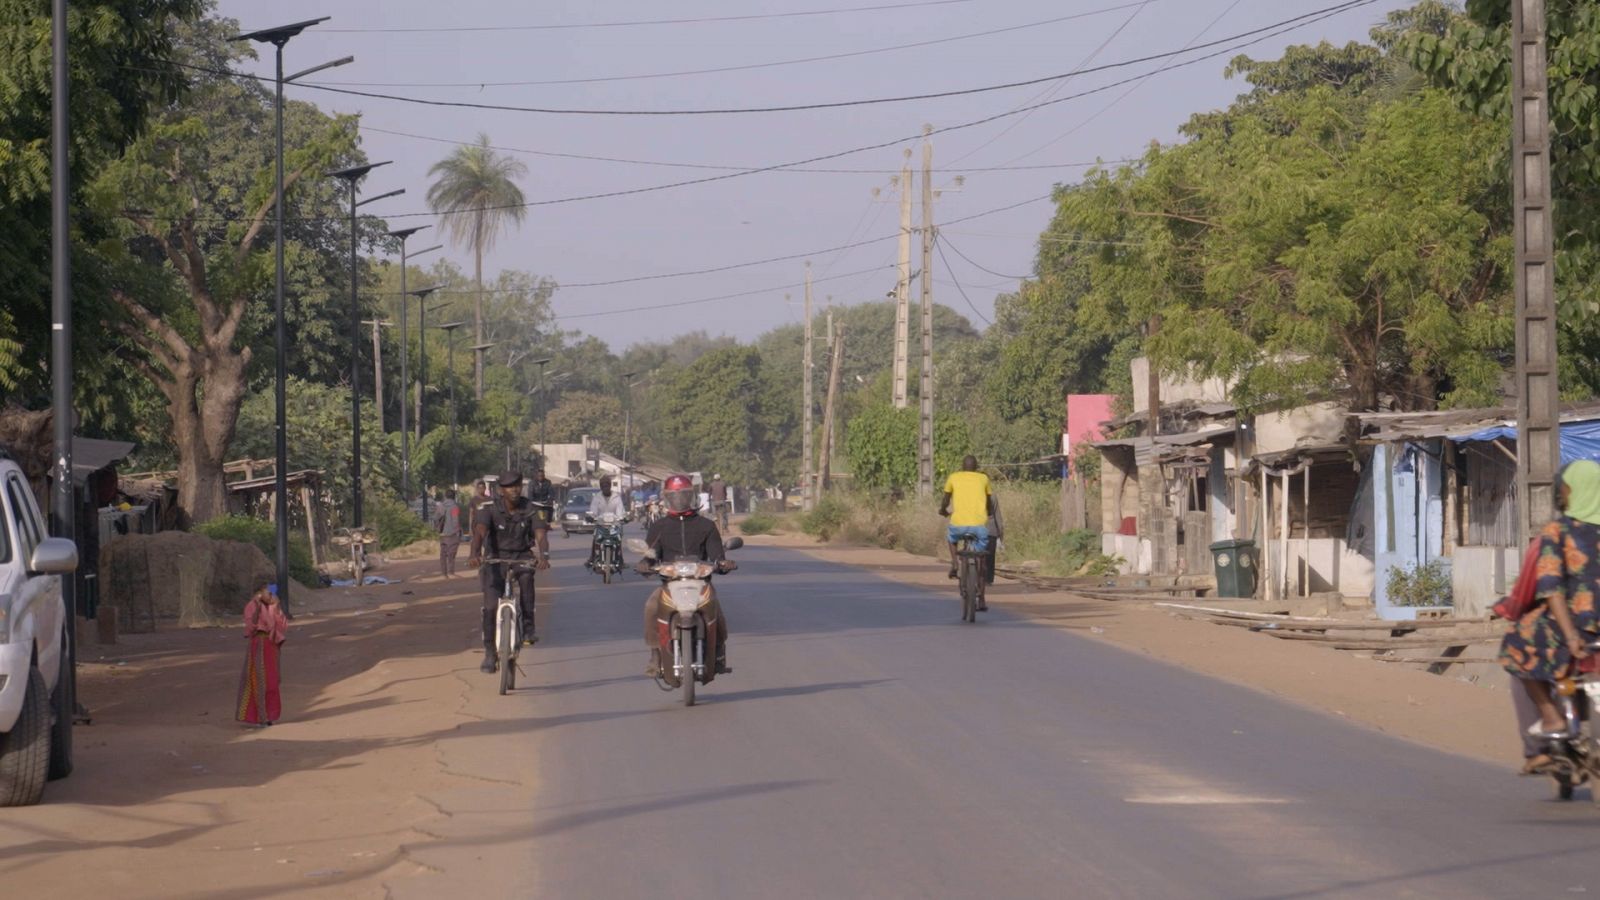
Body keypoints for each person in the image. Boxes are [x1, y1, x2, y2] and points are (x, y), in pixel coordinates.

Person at [1499, 460, 1600, 771]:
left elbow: (1550, 588)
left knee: (1516, 648)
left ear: (1568, 493)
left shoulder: (1556, 533)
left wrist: (1570, 636)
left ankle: (1551, 719)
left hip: (1576, 629)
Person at [635, 473, 735, 677]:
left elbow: (717, 555)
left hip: (701, 584)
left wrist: (723, 563)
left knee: (717, 613)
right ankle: (655, 654)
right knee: (651, 607)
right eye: (674, 496)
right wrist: (645, 564)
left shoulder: (706, 526)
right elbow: (651, 554)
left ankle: (718, 654)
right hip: (669, 585)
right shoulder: (658, 527)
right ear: (666, 498)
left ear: (692, 496)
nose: (679, 500)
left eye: (683, 495)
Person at [469, 471, 549, 673]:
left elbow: (540, 534)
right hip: (495, 559)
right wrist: (475, 554)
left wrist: (544, 555)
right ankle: (489, 653)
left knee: (526, 581)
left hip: (522, 556)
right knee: (489, 607)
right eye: (509, 486)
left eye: (517, 485)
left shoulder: (532, 508)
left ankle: (529, 627)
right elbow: (480, 532)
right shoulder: (488, 508)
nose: (514, 489)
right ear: (500, 490)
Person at [939, 455, 995, 594]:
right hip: (979, 527)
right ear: (976, 468)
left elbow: (945, 500)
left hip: (958, 526)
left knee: (951, 539)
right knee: (981, 560)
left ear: (962, 467)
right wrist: (988, 512)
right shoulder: (983, 479)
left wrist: (943, 510)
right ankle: (981, 598)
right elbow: (989, 502)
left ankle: (955, 562)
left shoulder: (953, 477)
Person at [237, 582, 287, 727]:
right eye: (269, 592)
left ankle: (269, 715)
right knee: (259, 681)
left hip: (271, 646)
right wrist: (260, 609)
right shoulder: (252, 606)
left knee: (272, 681)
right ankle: (260, 717)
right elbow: (252, 626)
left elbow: (280, 625)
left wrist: (275, 608)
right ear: (260, 592)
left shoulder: (271, 606)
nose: (272, 596)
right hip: (259, 646)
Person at [586, 475, 628, 568]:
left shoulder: (616, 497)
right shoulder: (597, 497)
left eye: (607, 485)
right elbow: (593, 510)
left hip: (614, 525)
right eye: (603, 485)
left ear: (610, 486)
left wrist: (622, 517)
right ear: (601, 487)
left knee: (618, 539)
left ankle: (620, 559)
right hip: (601, 524)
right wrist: (591, 516)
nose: (605, 487)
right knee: (595, 538)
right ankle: (592, 557)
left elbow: (620, 510)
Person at [432, 489, 465, 578]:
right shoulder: (455, 507)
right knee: (451, 554)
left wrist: (438, 528)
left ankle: (444, 573)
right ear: (454, 497)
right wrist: (458, 532)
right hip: (452, 534)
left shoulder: (440, 506)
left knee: (443, 554)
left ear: (445, 496)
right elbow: (455, 521)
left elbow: (435, 518)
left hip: (443, 534)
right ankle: (451, 572)